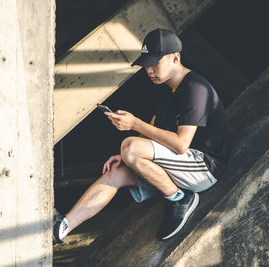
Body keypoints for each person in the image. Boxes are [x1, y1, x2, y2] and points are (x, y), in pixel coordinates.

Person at [53, 28, 229, 244]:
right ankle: (61, 229)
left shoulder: (195, 88)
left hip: (203, 168)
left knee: (130, 146)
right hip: (179, 165)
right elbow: (153, 131)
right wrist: (125, 156)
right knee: (115, 173)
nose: (149, 70)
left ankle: (180, 198)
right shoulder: (171, 94)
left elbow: (182, 145)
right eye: (147, 64)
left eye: (155, 63)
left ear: (175, 58)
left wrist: (134, 126)